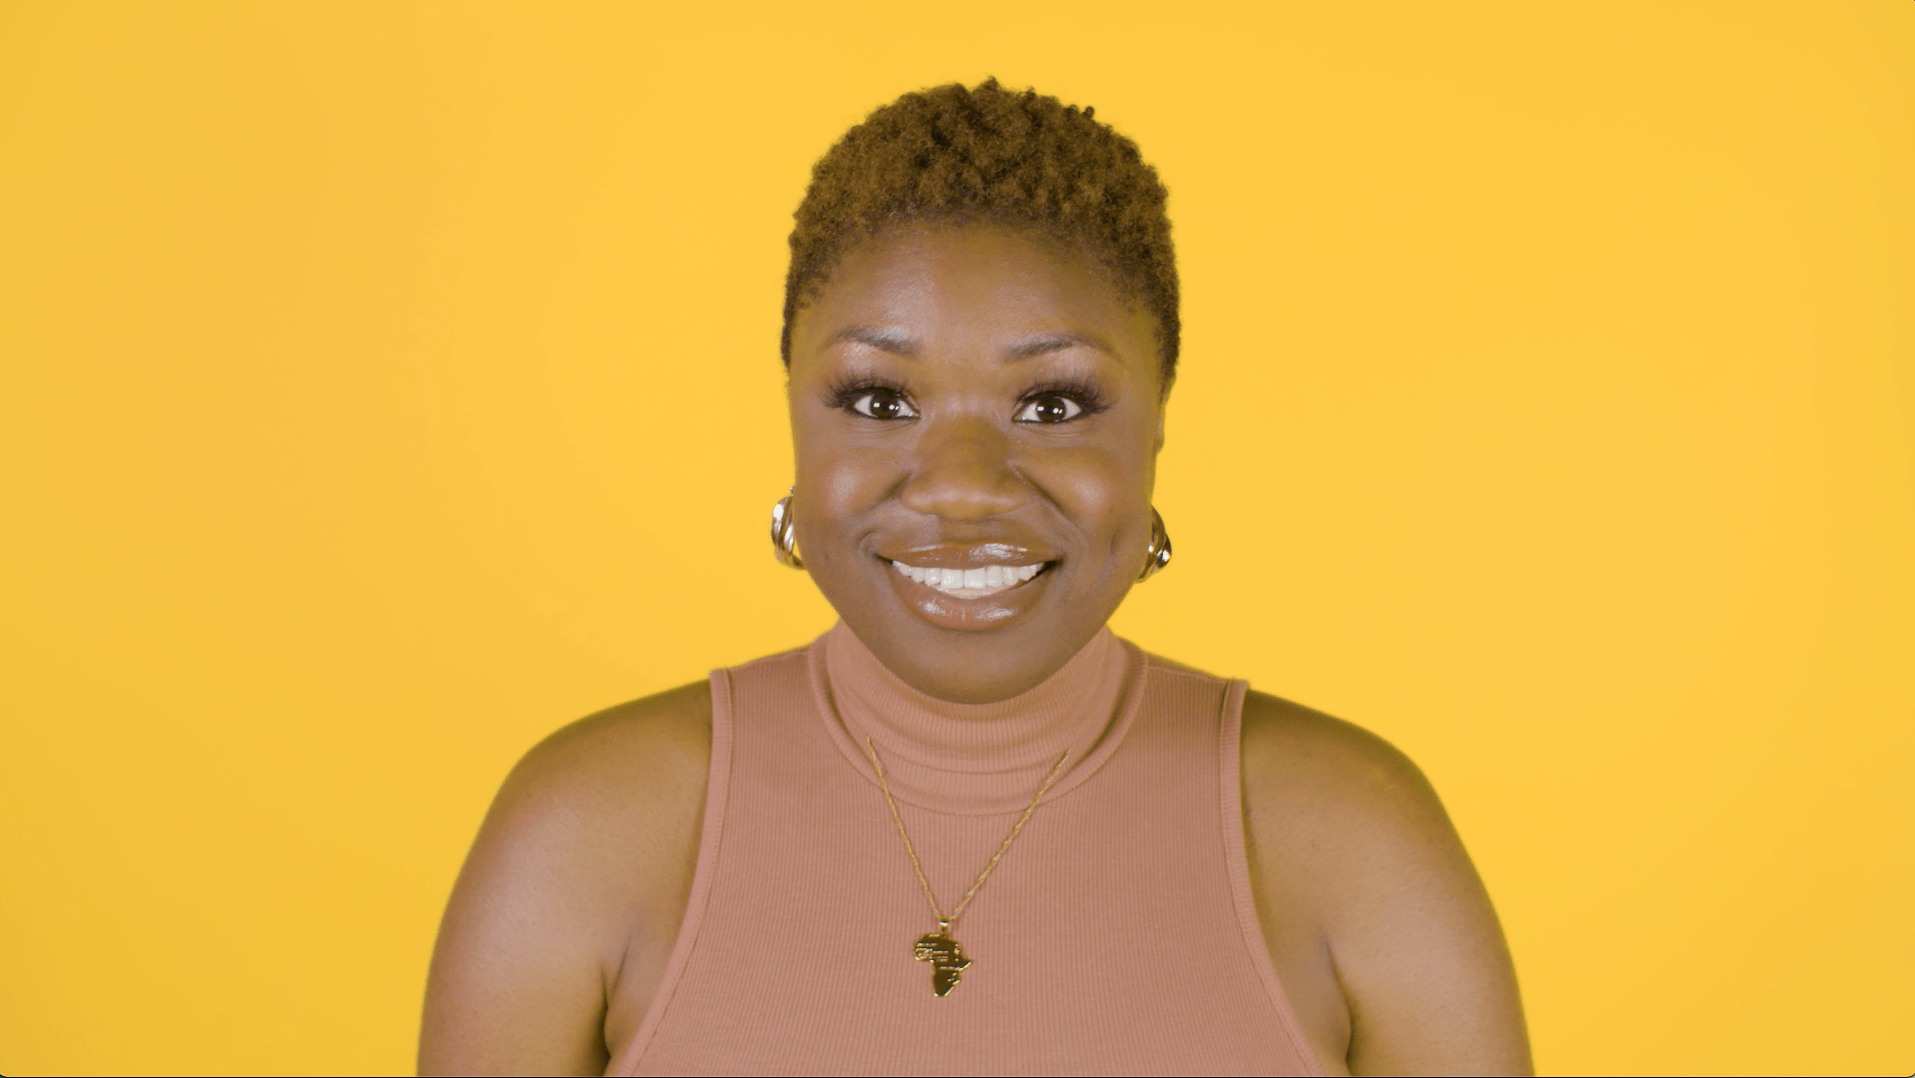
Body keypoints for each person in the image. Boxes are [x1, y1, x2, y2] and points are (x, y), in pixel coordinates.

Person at [419, 79, 1531, 1076]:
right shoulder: (585, 834)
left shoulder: (1352, 840)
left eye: (1050, 404)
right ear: (794, 422)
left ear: (1156, 434)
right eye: (877, 399)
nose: (959, 486)